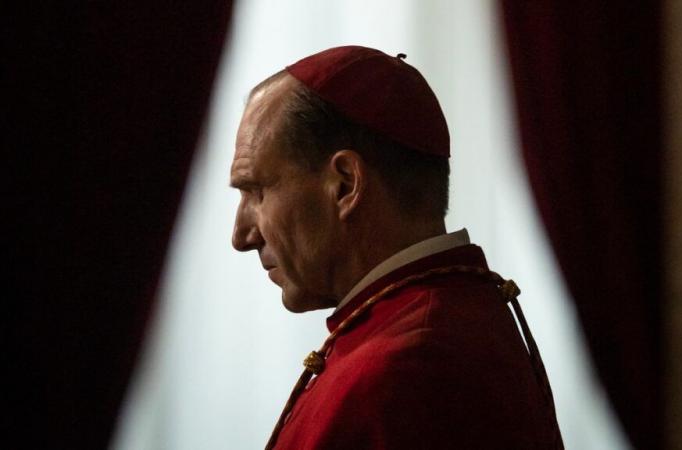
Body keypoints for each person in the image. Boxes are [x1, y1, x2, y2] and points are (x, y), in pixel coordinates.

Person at [230, 46, 564, 450]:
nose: (241, 236)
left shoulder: (404, 369)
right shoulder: (450, 315)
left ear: (345, 185)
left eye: (257, 191)